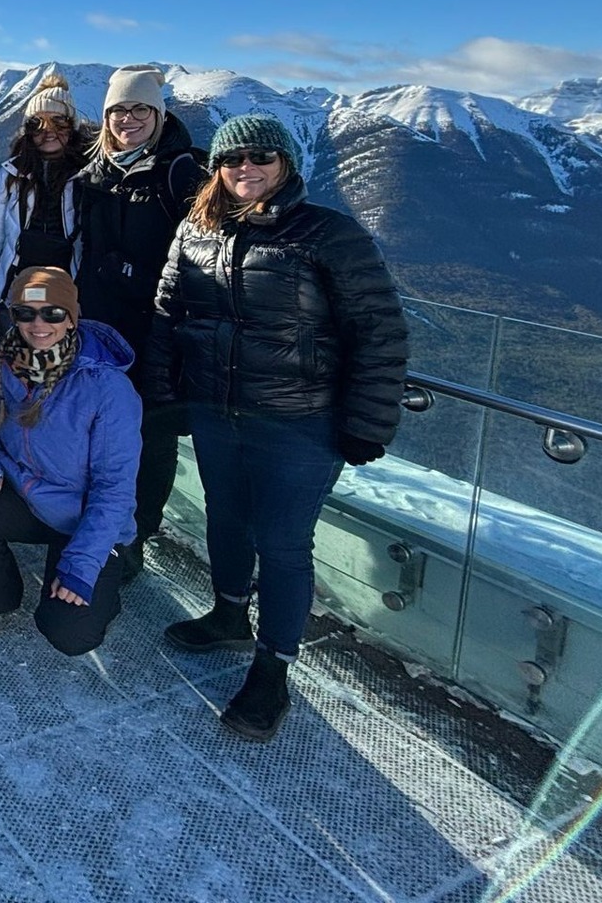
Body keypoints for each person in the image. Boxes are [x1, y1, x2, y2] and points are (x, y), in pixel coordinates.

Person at [147, 113, 409, 742]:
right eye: (234, 160)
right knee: (226, 517)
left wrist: (367, 422)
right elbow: (166, 312)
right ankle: (230, 615)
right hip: (216, 409)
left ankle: (274, 670)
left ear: (286, 163)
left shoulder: (328, 234)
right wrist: (163, 393)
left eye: (261, 157)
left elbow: (379, 331)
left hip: (300, 421)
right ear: (218, 168)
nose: (246, 169)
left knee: (284, 542)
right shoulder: (196, 229)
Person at [0, 268, 141, 656]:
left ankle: (108, 574)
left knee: (70, 633)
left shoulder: (107, 387)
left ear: (71, 319)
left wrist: (80, 568)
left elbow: (114, 489)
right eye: (26, 313)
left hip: (83, 514)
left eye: (53, 313)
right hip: (26, 493)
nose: (39, 325)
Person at [68, 64, 207, 579]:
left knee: (150, 434)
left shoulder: (182, 172)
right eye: (118, 110)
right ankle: (96, 523)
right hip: (99, 326)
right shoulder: (95, 173)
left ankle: (135, 536)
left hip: (159, 330)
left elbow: (207, 250)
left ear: (159, 113)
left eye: (139, 109)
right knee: (96, 425)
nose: (128, 119)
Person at [0, 74, 96, 333]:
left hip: (66, 292)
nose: (47, 132)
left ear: (72, 126)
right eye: (37, 124)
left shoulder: (89, 176)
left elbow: (92, 243)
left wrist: (81, 296)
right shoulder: (12, 174)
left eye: (58, 122)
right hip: (14, 289)